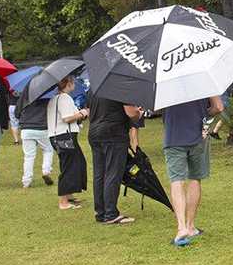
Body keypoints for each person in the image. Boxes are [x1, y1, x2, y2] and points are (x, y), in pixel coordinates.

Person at [162, 95, 223, 247]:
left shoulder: (165, 81)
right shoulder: (202, 77)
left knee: (177, 180)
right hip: (198, 134)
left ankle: (181, 227)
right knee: (195, 178)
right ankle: (190, 226)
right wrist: (202, 112)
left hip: (173, 135)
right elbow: (219, 107)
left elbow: (156, 108)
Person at [87, 92, 144, 225]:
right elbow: (131, 112)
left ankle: (101, 212)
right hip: (113, 134)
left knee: (99, 174)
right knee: (113, 173)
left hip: (95, 132)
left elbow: (89, 111)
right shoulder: (120, 87)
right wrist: (139, 113)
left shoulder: (94, 88)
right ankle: (111, 213)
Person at [46, 76, 88, 210]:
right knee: (69, 167)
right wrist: (82, 113)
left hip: (58, 136)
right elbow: (67, 118)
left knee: (77, 163)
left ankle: (69, 195)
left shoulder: (54, 99)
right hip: (64, 136)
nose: (74, 84)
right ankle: (63, 202)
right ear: (68, 84)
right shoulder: (64, 98)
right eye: (73, 82)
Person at [16, 96, 54, 188]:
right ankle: (46, 171)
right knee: (48, 150)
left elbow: (16, 113)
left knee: (29, 156)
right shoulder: (47, 98)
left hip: (26, 129)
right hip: (42, 128)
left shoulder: (24, 97)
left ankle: (26, 181)